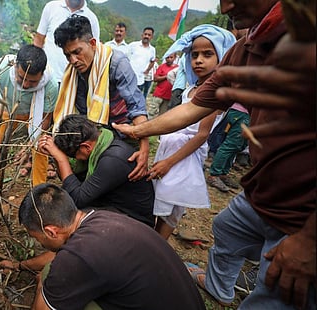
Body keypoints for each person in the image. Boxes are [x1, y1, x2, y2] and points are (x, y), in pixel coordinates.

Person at [112, 0, 316, 308]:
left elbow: (202, 131)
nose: (226, 5)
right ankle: (220, 287)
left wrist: (309, 241)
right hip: (261, 195)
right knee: (226, 227)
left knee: (275, 293)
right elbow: (193, 108)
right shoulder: (246, 48)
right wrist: (138, 131)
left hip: (302, 216)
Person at [19, 183, 206, 310]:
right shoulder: (100, 217)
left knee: (50, 281)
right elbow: (59, 256)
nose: (39, 243)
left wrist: (42, 287)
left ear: (51, 231)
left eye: (36, 237)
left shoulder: (77, 258)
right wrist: (20, 266)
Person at [150, 24, 236, 240]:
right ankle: (152, 241)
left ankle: (158, 246)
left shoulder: (214, 93)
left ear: (222, 56)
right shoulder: (193, 88)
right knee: (161, 201)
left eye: (207, 54)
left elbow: (201, 135)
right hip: (171, 149)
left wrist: (169, 162)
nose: (198, 60)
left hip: (184, 157)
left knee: (171, 210)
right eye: (194, 54)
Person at [53, 15, 150, 181]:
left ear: (92, 43)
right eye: (68, 55)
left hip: (122, 132)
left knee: (126, 177)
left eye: (77, 52)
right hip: (93, 136)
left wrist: (144, 148)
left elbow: (137, 107)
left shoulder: (117, 63)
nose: (73, 60)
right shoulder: (72, 72)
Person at [38, 114, 155, 227]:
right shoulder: (101, 143)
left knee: (70, 218)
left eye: (73, 155)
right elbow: (73, 183)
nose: (74, 159)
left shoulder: (112, 160)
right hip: (112, 205)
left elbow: (77, 198)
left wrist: (62, 160)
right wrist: (57, 157)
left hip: (135, 220)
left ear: (86, 147)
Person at [0, 45, 58, 185]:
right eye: (22, 78)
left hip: (33, 116)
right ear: (15, 66)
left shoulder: (50, 85)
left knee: (41, 145)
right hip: (4, 111)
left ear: (42, 74)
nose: (26, 85)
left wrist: (28, 147)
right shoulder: (1, 68)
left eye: (33, 81)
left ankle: (39, 188)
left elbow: (44, 122)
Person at [33, 0, 100, 85]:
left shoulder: (92, 18)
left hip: (75, 82)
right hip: (47, 77)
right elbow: (38, 40)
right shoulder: (51, 7)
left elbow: (94, 49)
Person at [206, 103, 250, 192]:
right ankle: (214, 175)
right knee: (231, 144)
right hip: (241, 112)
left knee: (237, 146)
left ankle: (223, 173)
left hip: (245, 113)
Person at [128, 27, 156, 97]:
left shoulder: (152, 50)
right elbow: (125, 58)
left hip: (140, 80)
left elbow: (152, 61)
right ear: (142, 35)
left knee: (136, 99)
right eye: (145, 34)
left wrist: (147, 70)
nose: (146, 36)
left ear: (152, 37)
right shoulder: (133, 45)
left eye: (149, 35)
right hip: (128, 78)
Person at [149, 53, 178, 117]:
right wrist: (167, 76)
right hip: (158, 93)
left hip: (169, 95)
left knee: (163, 114)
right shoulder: (162, 66)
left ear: (175, 58)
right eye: (167, 57)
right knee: (152, 112)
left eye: (171, 57)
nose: (169, 59)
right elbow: (155, 78)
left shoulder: (177, 68)